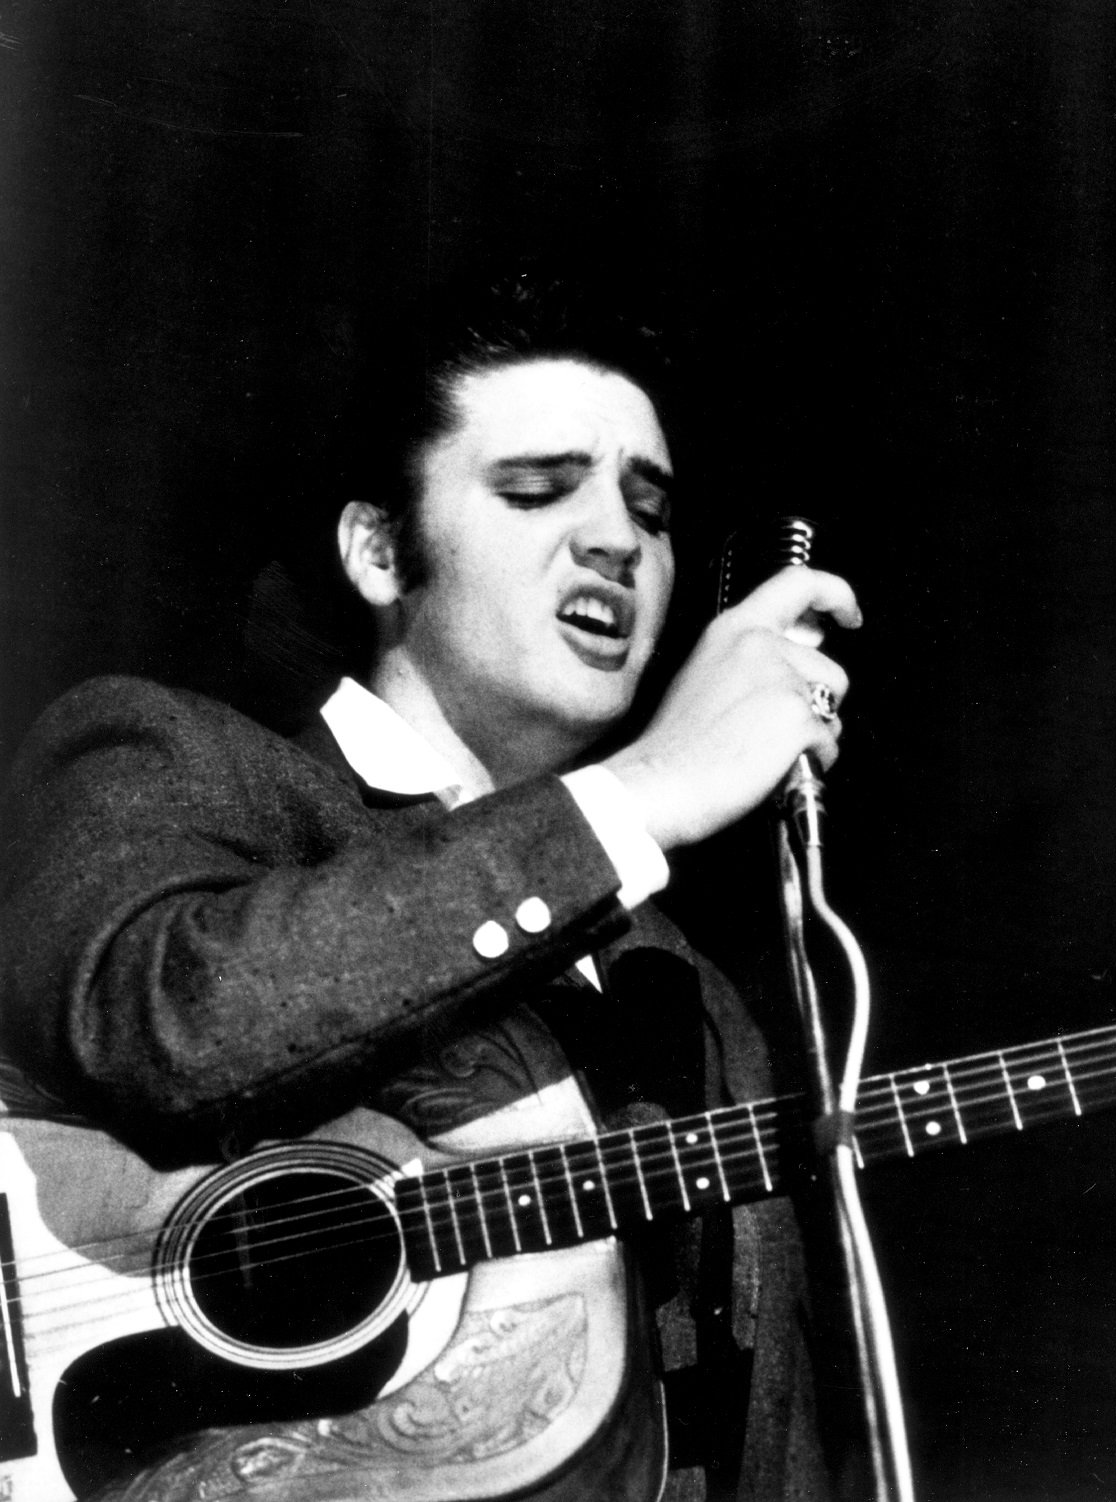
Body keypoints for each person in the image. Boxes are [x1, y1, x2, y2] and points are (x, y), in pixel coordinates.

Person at [0, 276, 860, 1501]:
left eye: (651, 506)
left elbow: (770, 1445)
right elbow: (163, 1017)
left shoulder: (688, 989)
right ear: (378, 548)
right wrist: (650, 787)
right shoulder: (169, 754)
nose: (618, 536)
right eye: (537, 488)